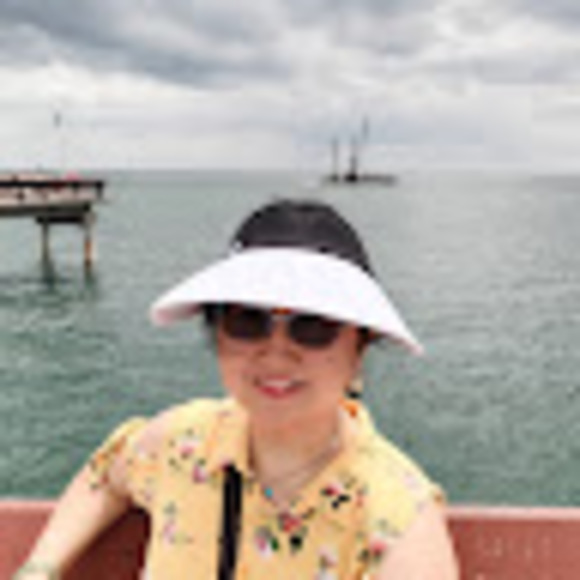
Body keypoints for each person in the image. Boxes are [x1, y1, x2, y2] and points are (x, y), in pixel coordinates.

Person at [15, 199, 458, 579]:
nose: (276, 350)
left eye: (314, 326)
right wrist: (39, 569)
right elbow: (105, 476)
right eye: (248, 320)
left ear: (360, 346)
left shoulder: (397, 519)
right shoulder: (183, 443)